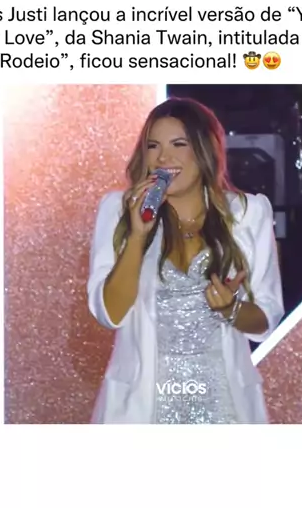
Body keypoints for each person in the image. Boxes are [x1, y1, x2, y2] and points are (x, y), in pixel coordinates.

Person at [88, 97, 284, 423]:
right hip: (141, 409)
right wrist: (137, 235)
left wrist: (231, 309)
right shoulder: (118, 210)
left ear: (205, 150)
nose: (163, 157)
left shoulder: (248, 213)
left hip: (224, 407)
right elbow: (110, 313)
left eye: (178, 144)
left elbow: (267, 317)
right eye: (153, 146)